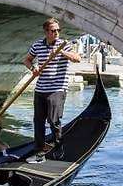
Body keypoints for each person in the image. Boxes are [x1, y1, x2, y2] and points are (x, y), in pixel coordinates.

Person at [23, 18, 81, 163]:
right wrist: (33, 69)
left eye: (58, 30)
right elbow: (27, 60)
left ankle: (59, 148)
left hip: (58, 88)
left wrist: (61, 53)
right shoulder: (37, 45)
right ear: (46, 32)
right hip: (41, 89)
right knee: (38, 121)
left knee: (53, 120)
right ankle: (39, 152)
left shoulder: (63, 45)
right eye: (53, 30)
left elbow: (77, 58)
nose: (56, 33)